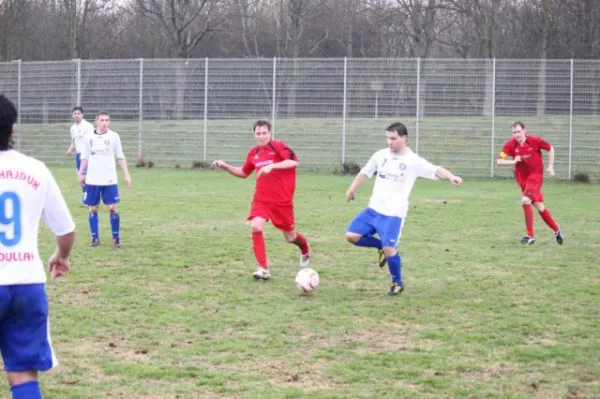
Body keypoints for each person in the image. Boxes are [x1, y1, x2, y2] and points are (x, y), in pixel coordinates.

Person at [0, 94, 76, 399]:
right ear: (12, 129)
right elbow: (66, 229)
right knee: (23, 375)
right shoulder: (35, 169)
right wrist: (62, 256)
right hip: (27, 284)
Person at [345, 122, 462, 296]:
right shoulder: (380, 155)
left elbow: (436, 169)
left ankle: (397, 283)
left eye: (393, 138)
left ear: (404, 138)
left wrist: (451, 176)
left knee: (390, 248)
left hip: (393, 214)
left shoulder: (413, 161)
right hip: (374, 209)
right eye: (387, 138)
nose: (389, 142)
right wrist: (352, 188)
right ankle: (379, 248)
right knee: (351, 236)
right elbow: (365, 172)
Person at [212, 120, 310, 280]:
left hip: (282, 201)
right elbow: (244, 172)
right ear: (254, 134)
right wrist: (226, 166)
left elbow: (293, 162)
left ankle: (305, 251)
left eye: (264, 133)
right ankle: (263, 269)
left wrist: (272, 166)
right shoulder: (253, 153)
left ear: (270, 133)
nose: (261, 136)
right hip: (261, 199)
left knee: (291, 238)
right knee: (256, 226)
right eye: (258, 133)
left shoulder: (278, 147)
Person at [497, 121, 563, 245]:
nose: (516, 135)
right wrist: (513, 162)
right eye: (514, 132)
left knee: (525, 200)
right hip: (522, 179)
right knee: (540, 208)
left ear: (524, 130)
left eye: (518, 132)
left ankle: (530, 235)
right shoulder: (510, 145)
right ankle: (556, 229)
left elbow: (550, 148)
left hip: (536, 176)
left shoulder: (535, 141)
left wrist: (551, 166)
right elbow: (499, 161)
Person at [78, 111, 132, 248]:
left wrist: (126, 174)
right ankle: (95, 238)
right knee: (93, 209)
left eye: (107, 120)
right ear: (96, 121)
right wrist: (81, 173)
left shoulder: (114, 136)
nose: (104, 123)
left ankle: (116, 238)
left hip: (109, 179)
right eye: (101, 120)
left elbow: (120, 156)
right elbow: (85, 156)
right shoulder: (88, 137)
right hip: (93, 179)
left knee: (112, 208)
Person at [66, 107, 94, 205]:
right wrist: (70, 149)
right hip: (79, 155)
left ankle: (88, 199)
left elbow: (93, 140)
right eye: (75, 113)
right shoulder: (73, 128)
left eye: (78, 113)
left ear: (82, 115)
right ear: (72, 115)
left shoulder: (88, 126)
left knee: (85, 176)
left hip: (87, 156)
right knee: (80, 177)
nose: (77, 115)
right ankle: (87, 196)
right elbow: (74, 143)